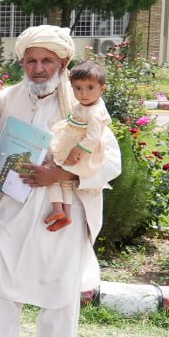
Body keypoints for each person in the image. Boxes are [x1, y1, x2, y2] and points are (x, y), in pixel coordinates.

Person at [0, 26, 120, 337]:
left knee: (60, 293)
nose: (38, 68)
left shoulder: (85, 105)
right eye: (31, 60)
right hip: (12, 208)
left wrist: (61, 175)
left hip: (63, 213)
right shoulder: (3, 100)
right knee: (0, 287)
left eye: (47, 61)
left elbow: (111, 162)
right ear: (22, 62)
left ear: (63, 63)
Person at [45, 61, 111, 232]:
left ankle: (58, 208)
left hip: (81, 150)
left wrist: (76, 150)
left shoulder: (95, 113)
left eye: (90, 88)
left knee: (52, 172)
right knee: (65, 181)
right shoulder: (86, 105)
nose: (83, 93)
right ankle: (66, 215)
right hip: (74, 140)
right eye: (78, 88)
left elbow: (93, 137)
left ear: (102, 89)